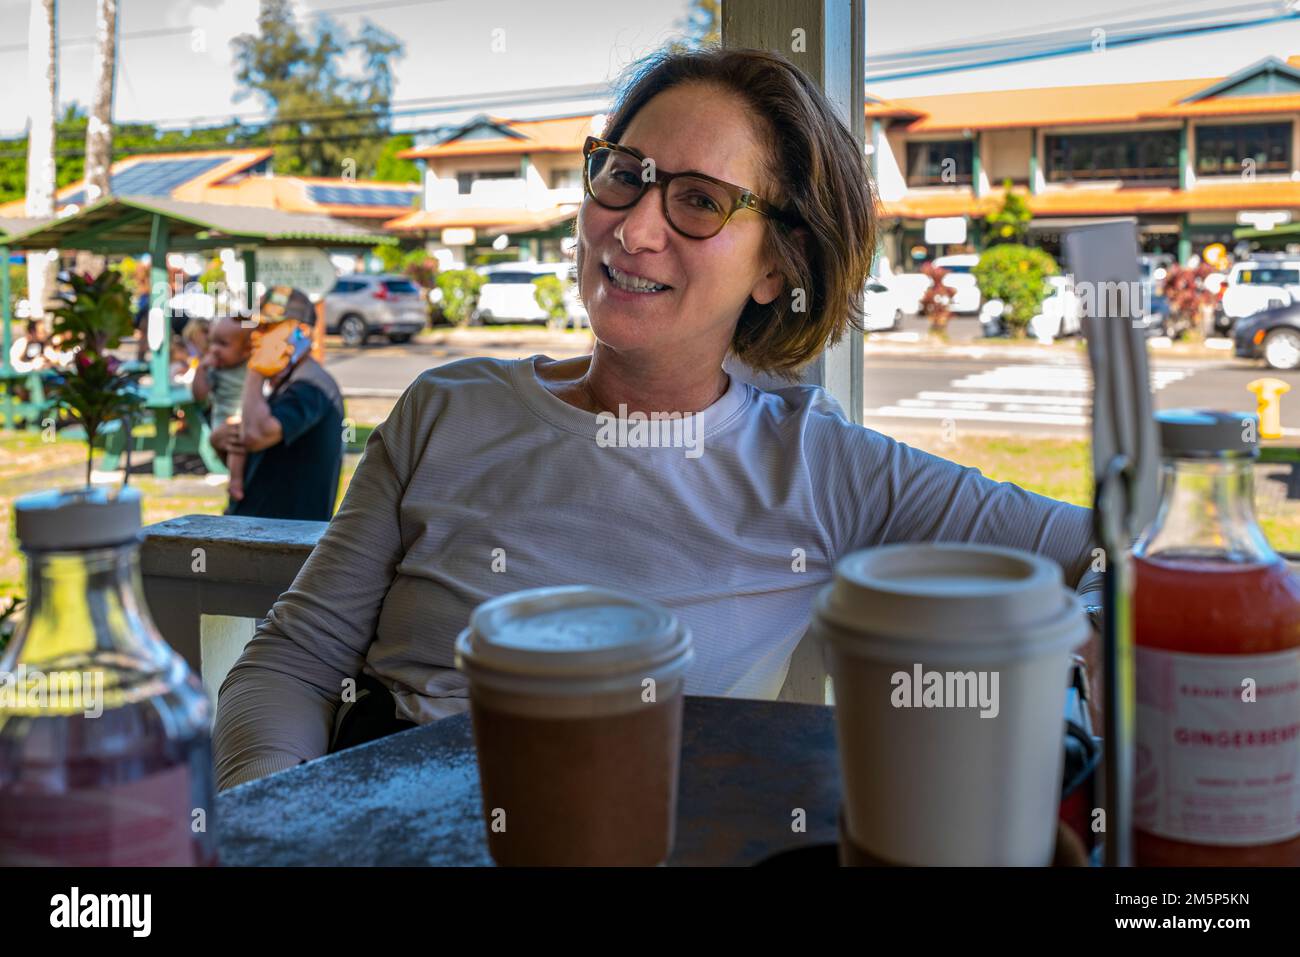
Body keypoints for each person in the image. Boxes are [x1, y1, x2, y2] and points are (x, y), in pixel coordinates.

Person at [213, 47, 1105, 791]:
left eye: (700, 200)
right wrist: (277, 816)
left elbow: (1111, 547)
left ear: (773, 266)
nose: (634, 228)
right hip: (375, 808)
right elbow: (294, 659)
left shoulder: (821, 464)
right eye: (624, 175)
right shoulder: (447, 407)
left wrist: (1104, 635)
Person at [209, 287, 344, 523]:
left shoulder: (312, 386)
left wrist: (256, 369)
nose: (256, 336)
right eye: (255, 327)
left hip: (287, 540)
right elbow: (257, 456)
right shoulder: (280, 381)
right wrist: (219, 442)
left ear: (301, 332)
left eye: (267, 327)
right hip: (258, 531)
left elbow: (255, 435)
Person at [193, 315, 253, 501]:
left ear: (246, 351)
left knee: (238, 439)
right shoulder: (214, 369)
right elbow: (199, 395)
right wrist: (201, 369)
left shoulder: (250, 366)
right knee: (235, 441)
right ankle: (234, 483)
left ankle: (237, 482)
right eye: (212, 342)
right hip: (223, 419)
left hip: (244, 417)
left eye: (223, 344)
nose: (214, 349)